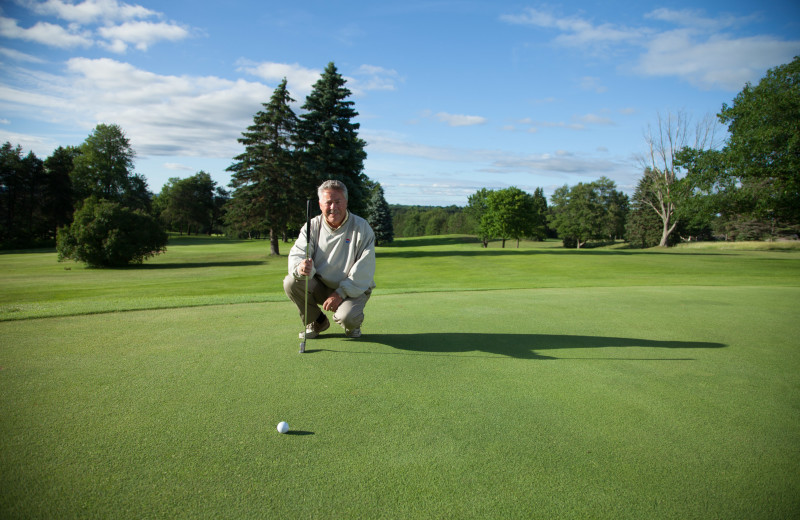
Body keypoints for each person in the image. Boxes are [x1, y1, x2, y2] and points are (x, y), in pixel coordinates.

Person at [284, 180, 376, 339]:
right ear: (320, 204)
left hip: (353, 288)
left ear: (346, 202)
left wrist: (340, 293)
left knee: (348, 318)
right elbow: (298, 253)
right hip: (321, 285)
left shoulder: (361, 227)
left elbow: (364, 268)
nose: (333, 207)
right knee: (291, 281)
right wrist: (302, 267)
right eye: (328, 203)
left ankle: (352, 324)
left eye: (338, 202)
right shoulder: (312, 226)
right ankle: (316, 321)